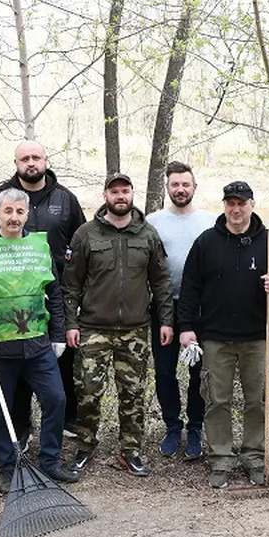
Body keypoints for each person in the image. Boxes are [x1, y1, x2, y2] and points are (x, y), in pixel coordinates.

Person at [0, 189, 79, 489]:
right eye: (8, 211)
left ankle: (49, 462)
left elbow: (54, 294)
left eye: (20, 212)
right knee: (2, 411)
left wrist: (58, 334)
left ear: (27, 215)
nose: (14, 217)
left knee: (56, 400)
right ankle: (8, 466)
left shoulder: (39, 248)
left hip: (38, 347)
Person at [178, 181, 269, 489]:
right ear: (225, 206)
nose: (236, 208)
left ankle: (254, 456)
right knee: (217, 400)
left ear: (251, 205)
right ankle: (220, 458)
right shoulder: (207, 242)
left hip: (256, 336)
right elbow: (189, 288)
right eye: (230, 202)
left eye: (241, 202)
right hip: (216, 337)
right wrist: (187, 328)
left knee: (256, 399)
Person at [64, 173, 173, 477]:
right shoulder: (86, 235)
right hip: (93, 328)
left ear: (132, 194)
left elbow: (161, 282)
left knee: (133, 394)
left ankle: (131, 451)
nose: (120, 196)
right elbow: (70, 285)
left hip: (135, 330)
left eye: (125, 191)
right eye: (115, 192)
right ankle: (85, 446)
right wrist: (71, 323)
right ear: (105, 196)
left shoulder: (147, 235)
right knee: (87, 391)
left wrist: (166, 321)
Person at [0, 141, 86, 445]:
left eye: (36, 157)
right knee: (18, 371)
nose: (31, 163)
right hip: (10, 299)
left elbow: (81, 243)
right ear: (16, 163)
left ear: (45, 160)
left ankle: (64, 424)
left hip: (56, 291)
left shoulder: (65, 199)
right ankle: (21, 428)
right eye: (25, 158)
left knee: (59, 363)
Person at [146, 161, 215, 459]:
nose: (180, 189)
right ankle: (173, 425)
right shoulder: (153, 222)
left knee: (200, 371)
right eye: (175, 184)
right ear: (167, 187)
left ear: (194, 187)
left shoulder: (211, 221)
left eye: (185, 184)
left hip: (202, 309)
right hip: (163, 307)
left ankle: (196, 427)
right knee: (164, 371)